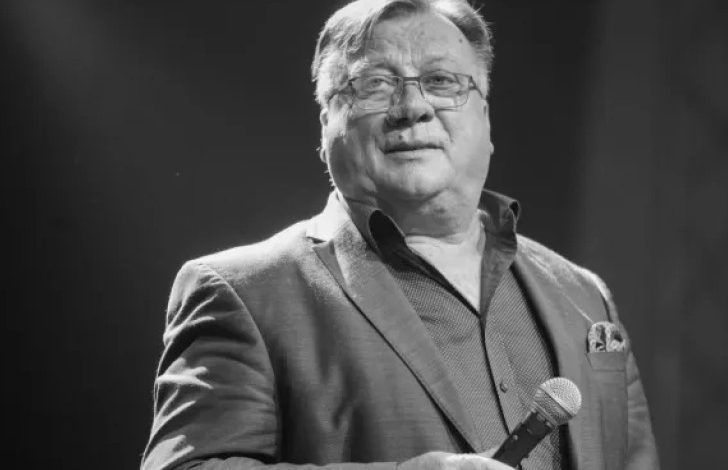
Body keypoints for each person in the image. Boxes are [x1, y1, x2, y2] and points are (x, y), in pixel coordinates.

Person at [141, 1, 659, 469]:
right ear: (326, 124)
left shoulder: (583, 295)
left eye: (442, 81)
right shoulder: (246, 292)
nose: (413, 106)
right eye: (374, 84)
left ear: (485, 117)